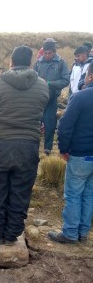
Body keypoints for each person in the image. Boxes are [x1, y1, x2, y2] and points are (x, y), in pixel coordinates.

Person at [0, 45, 49, 246]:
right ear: (30, 62)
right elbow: (40, 111)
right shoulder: (43, 85)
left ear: (11, 61)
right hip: (28, 147)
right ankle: (12, 235)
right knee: (20, 192)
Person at [48, 62, 93, 244]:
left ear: (90, 76)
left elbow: (65, 125)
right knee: (89, 194)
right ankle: (83, 233)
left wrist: (63, 149)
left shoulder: (82, 97)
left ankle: (70, 234)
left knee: (74, 194)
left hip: (80, 155)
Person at [33, 40, 70, 155]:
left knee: (50, 123)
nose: (47, 55)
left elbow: (65, 80)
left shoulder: (61, 62)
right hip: (38, 98)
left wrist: (49, 83)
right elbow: (32, 77)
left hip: (52, 98)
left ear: (54, 52)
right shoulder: (38, 62)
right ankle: (34, 146)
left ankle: (47, 148)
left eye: (49, 53)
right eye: (45, 53)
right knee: (35, 123)